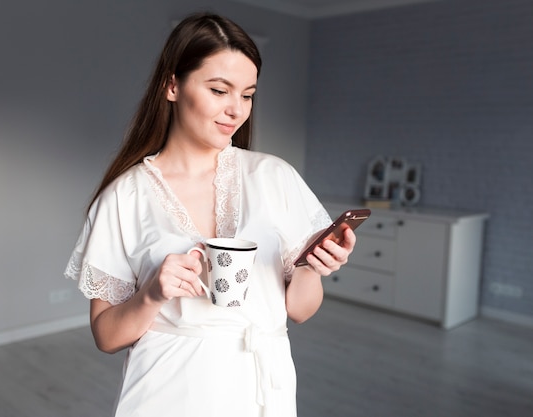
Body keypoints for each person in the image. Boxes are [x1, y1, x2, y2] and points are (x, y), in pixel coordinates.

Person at [64, 12, 356, 417]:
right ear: (172, 85)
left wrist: (311, 268)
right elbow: (107, 336)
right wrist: (152, 293)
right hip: (168, 391)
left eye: (248, 94)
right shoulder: (124, 197)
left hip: (261, 390)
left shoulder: (274, 177)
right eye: (220, 90)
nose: (236, 110)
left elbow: (299, 310)